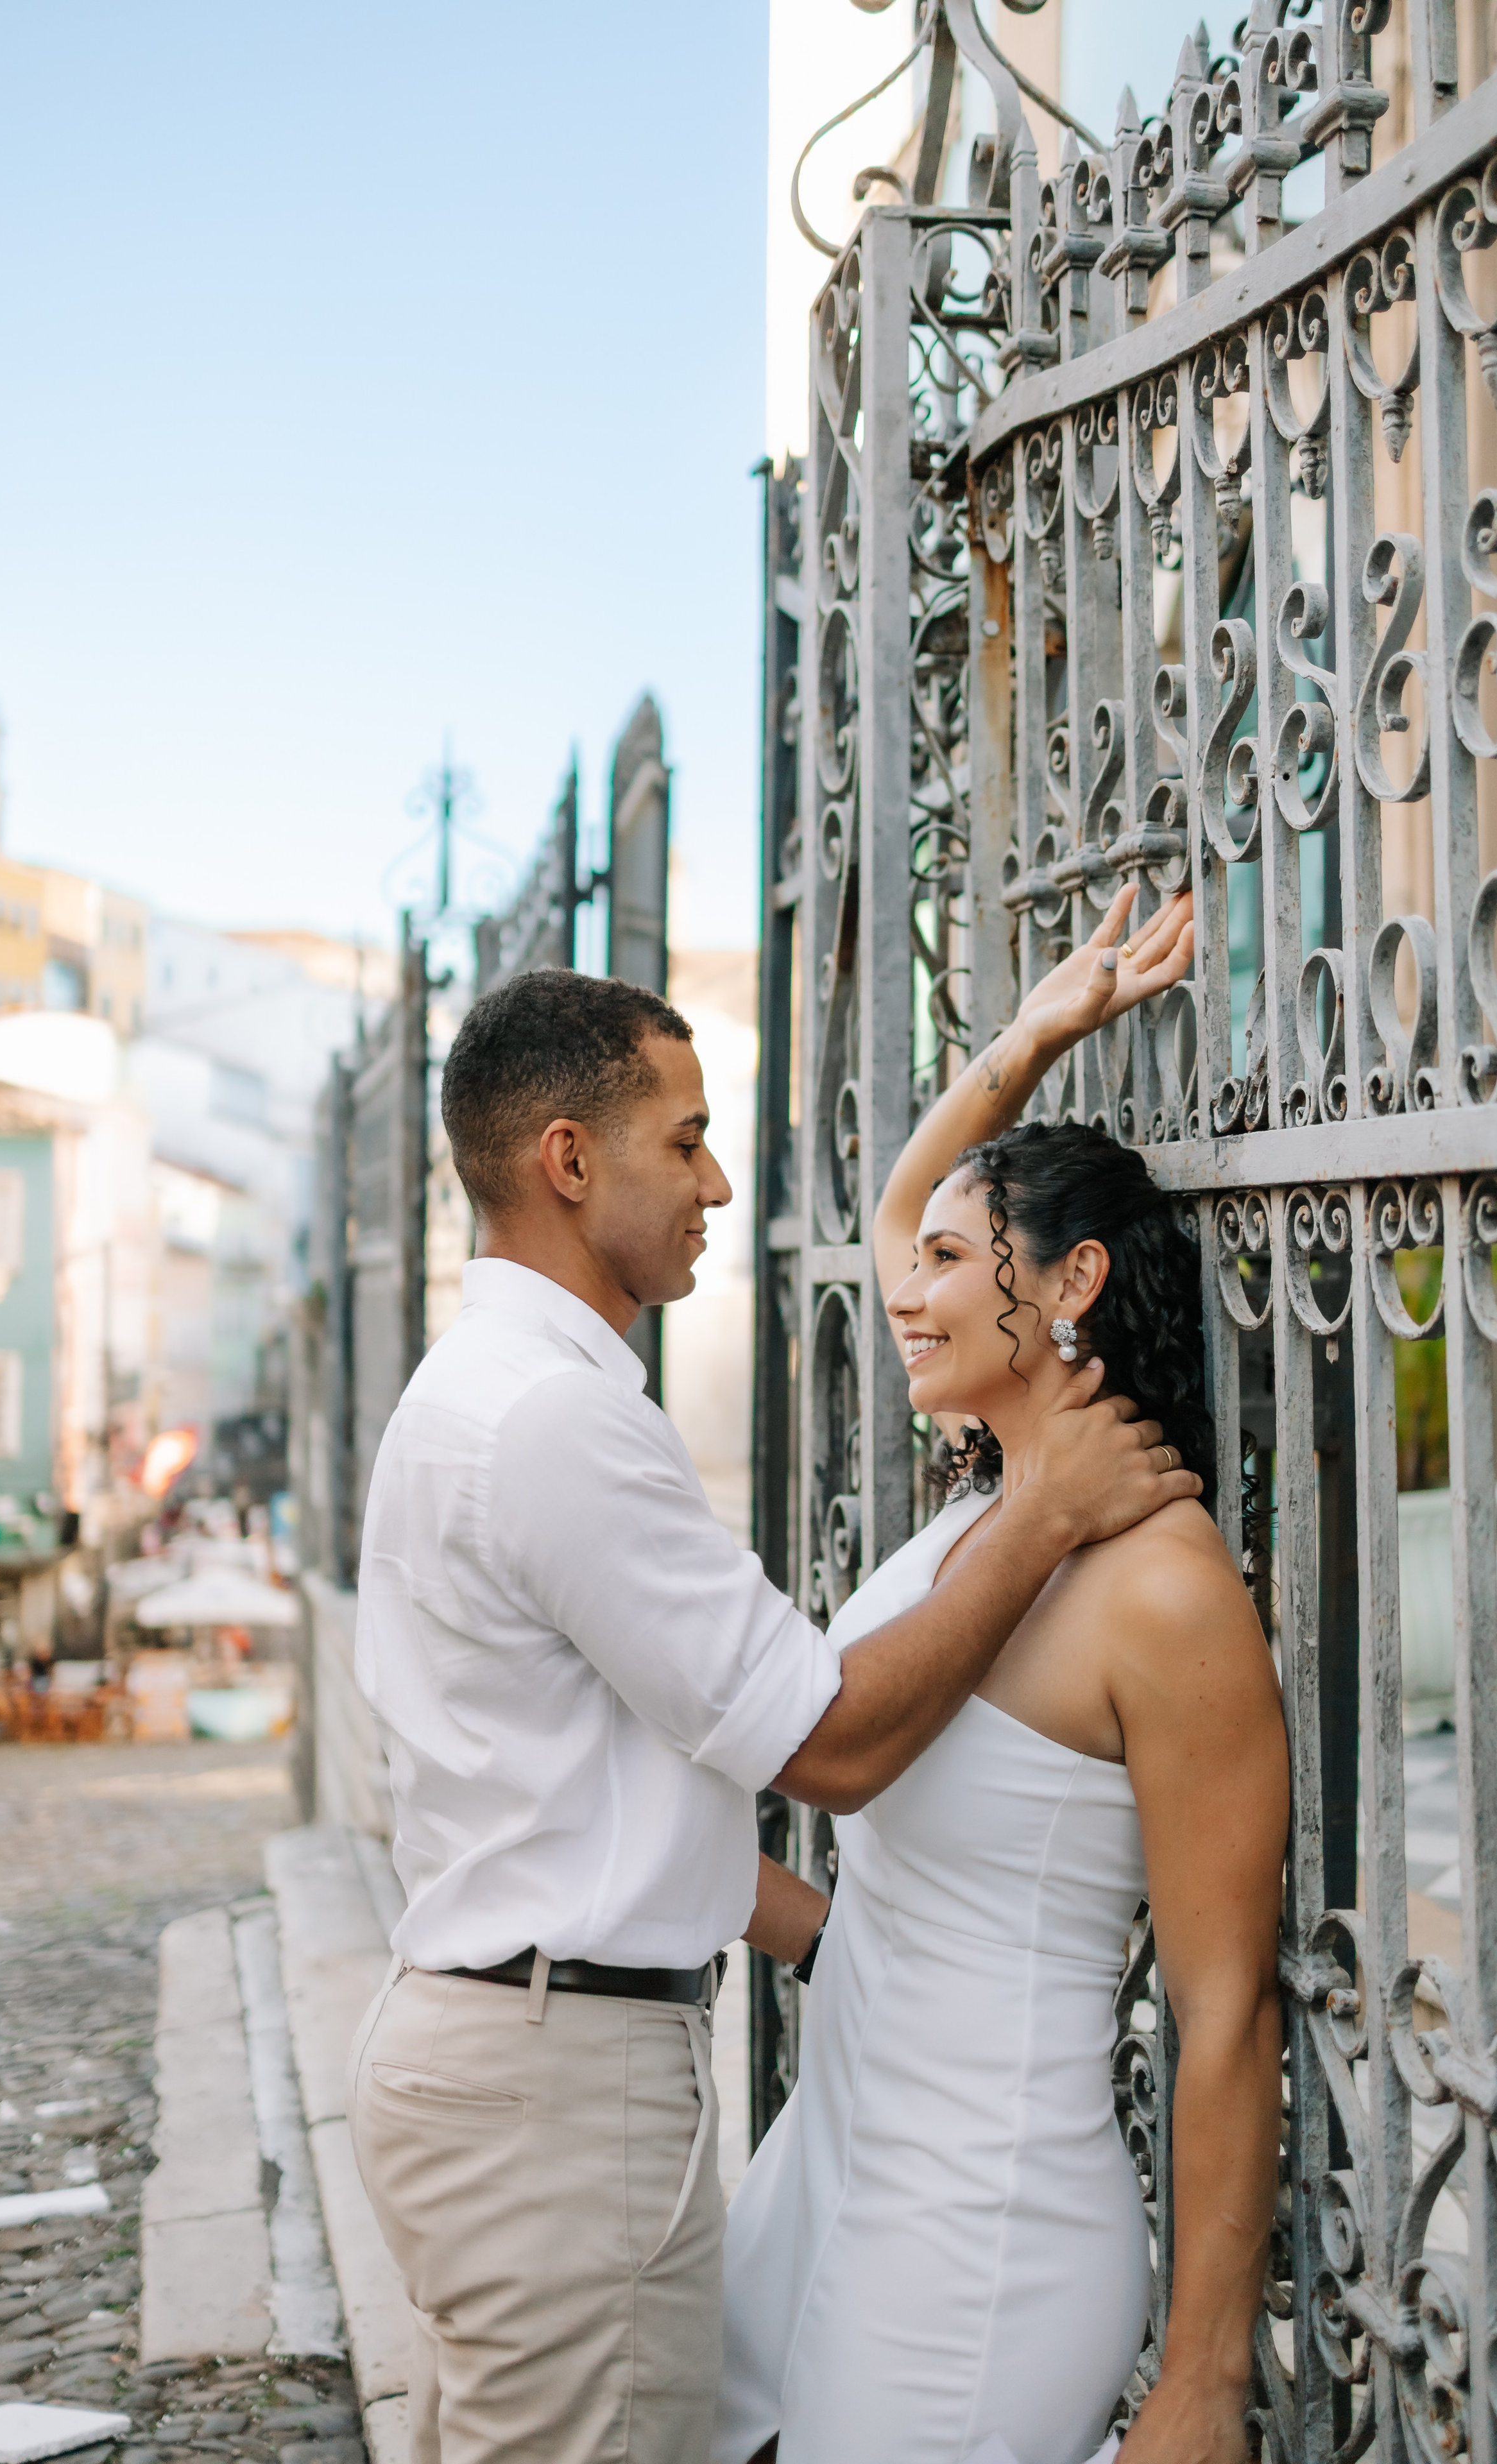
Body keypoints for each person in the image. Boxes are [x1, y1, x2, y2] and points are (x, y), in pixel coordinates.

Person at [345, 963, 1201, 2464]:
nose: (720, 1184)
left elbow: (616, 1804)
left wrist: (1032, 1035)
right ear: (566, 1161)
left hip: (787, 2119)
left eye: (951, 1260)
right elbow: (835, 1748)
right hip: (561, 2101)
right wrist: (1050, 1508)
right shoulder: (557, 1418)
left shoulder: (492, 1386)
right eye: (682, 1143)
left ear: (1061, 1286)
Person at [716, 886, 1288, 2464]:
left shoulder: (1160, 1590)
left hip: (976, 2231)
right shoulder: (991, 1495)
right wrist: (1031, 1038)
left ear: (1069, 1281)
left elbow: (1223, 2009)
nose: (905, 1285)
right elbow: (904, 1207)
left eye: (959, 1261)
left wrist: (1202, 2381)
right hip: (838, 2154)